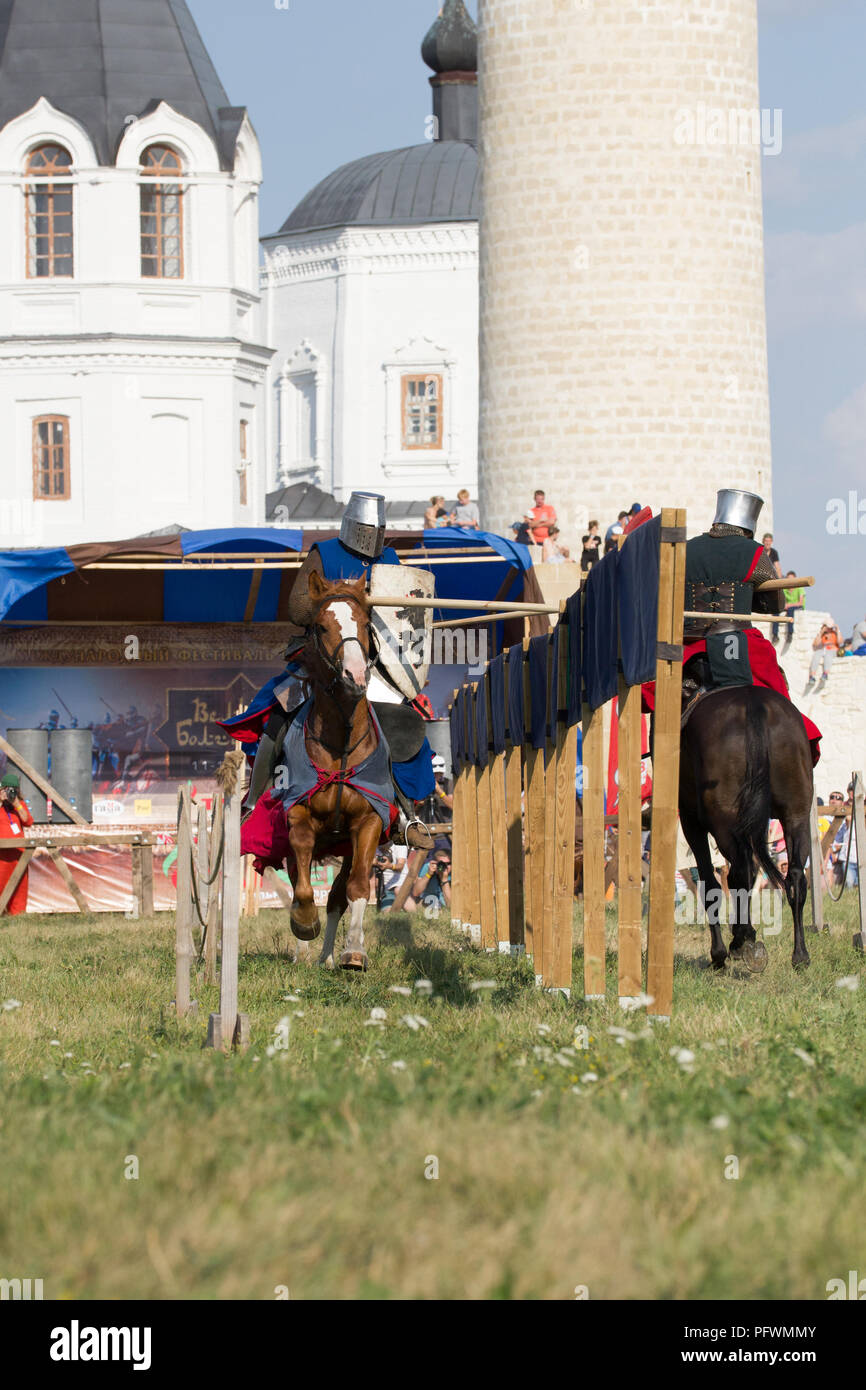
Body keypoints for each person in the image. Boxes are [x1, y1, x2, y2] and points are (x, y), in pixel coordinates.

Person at [219, 492, 436, 847]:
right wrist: (337, 597)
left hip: (374, 663)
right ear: (351, 526)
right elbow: (299, 608)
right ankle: (255, 801)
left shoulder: (391, 559)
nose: (372, 537)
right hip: (320, 661)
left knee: (402, 721)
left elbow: (403, 619)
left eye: (377, 530)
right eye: (366, 528)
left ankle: (408, 816)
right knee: (277, 713)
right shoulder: (324, 554)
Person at [642, 488, 822, 763]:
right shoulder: (755, 552)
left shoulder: (686, 549)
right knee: (778, 694)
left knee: (669, 699)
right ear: (748, 527)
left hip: (692, 646)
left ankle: (664, 758)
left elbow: (669, 596)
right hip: (741, 642)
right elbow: (775, 605)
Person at [0, 771, 34, 916]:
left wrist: (16, 804)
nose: (10, 793)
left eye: (13, 790)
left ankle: (18, 915)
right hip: (1, 855)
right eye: (7, 789)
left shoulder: (19, 805)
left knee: (19, 886)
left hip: (18, 854)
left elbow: (28, 821)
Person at [806, 621, 841, 691]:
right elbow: (815, 644)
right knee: (816, 655)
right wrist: (821, 632)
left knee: (828, 655)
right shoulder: (822, 635)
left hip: (832, 651)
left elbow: (840, 642)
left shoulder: (834, 633)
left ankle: (825, 674)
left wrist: (837, 630)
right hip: (822, 650)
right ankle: (812, 676)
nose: (829, 629)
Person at [777, 571, 805, 647]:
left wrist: (789, 605)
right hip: (788, 606)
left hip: (797, 607)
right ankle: (775, 634)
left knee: (790, 610)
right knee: (776, 610)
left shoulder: (799, 588)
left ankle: (790, 632)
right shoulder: (785, 589)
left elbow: (800, 603)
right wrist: (785, 605)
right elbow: (783, 602)